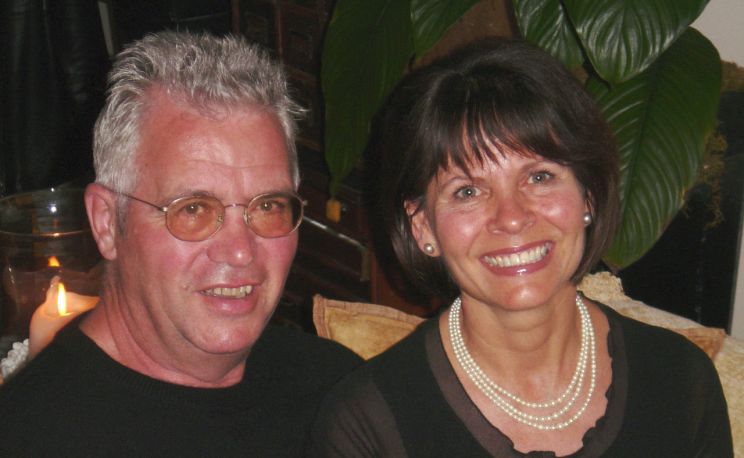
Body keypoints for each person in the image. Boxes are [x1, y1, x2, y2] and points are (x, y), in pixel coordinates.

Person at [309, 37, 733, 457]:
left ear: (587, 196)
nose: (511, 217)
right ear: (423, 227)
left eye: (539, 177)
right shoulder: (369, 426)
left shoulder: (681, 383)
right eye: (468, 191)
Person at [0, 31, 361, 456]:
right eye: (193, 209)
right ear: (106, 222)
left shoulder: (342, 397)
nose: (240, 251)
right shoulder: (29, 437)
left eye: (268, 206)